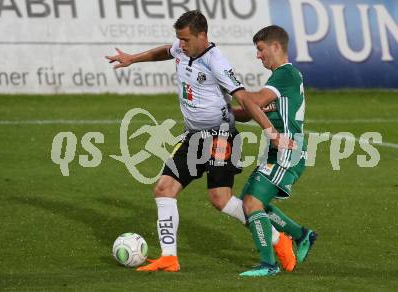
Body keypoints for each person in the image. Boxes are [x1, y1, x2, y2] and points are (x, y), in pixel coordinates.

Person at [106, 11, 296, 272]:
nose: (180, 45)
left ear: (202, 36)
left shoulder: (216, 62)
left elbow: (244, 99)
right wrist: (132, 59)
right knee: (164, 188)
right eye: (179, 40)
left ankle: (277, 239)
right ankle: (169, 258)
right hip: (193, 137)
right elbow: (166, 51)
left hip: (221, 137)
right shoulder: (182, 48)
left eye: (185, 40)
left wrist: (271, 133)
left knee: (220, 199)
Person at [232, 25, 317, 277]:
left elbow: (253, 102)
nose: (258, 55)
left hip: (287, 149)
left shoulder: (285, 75)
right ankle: (301, 234)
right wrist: (224, 113)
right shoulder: (280, 80)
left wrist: (233, 91)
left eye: (260, 49)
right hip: (276, 150)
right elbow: (251, 111)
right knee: (251, 202)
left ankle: (268, 264)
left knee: (252, 203)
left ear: (276, 47)